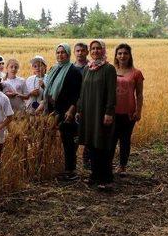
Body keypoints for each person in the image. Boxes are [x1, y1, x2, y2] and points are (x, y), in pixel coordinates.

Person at [77, 40, 117, 191]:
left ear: (103, 50)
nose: (95, 51)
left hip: (101, 112)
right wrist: (80, 109)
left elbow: (112, 93)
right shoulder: (88, 69)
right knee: (91, 143)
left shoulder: (108, 69)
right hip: (88, 113)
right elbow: (82, 91)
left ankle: (107, 177)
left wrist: (109, 112)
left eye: (98, 48)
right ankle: (94, 174)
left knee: (103, 144)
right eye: (92, 49)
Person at [41, 44, 83, 181]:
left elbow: (78, 93)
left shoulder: (74, 71)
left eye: (63, 52)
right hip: (53, 109)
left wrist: (72, 109)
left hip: (66, 111)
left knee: (68, 140)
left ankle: (70, 170)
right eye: (58, 52)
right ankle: (56, 166)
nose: (60, 55)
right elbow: (49, 88)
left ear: (69, 54)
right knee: (51, 137)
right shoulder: (54, 69)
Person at [112, 43, 144, 175]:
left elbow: (139, 94)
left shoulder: (136, 73)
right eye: (119, 53)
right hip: (112, 111)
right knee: (111, 139)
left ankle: (122, 166)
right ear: (116, 55)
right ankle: (108, 164)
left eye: (125, 53)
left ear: (130, 55)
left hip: (128, 112)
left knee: (125, 139)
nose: (122, 56)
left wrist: (138, 111)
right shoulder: (111, 70)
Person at [73, 42, 90, 169]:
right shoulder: (71, 68)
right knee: (74, 133)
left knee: (88, 133)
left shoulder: (92, 67)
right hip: (73, 106)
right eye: (77, 51)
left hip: (88, 105)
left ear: (87, 52)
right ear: (74, 53)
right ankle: (72, 160)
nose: (80, 53)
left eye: (82, 51)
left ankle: (87, 160)